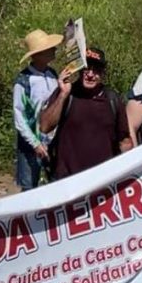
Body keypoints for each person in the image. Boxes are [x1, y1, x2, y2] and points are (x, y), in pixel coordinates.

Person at [39, 47, 132, 179]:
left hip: (102, 182)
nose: (90, 74)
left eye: (96, 70)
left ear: (103, 73)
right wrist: (63, 95)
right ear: (80, 69)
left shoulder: (112, 100)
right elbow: (45, 127)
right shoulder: (67, 94)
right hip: (67, 181)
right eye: (87, 68)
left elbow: (124, 141)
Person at [13, 29, 62, 191]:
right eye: (50, 49)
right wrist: (34, 143)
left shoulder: (52, 74)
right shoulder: (24, 80)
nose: (54, 50)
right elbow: (19, 115)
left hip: (52, 140)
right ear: (39, 54)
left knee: (53, 185)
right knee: (29, 189)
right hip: (31, 143)